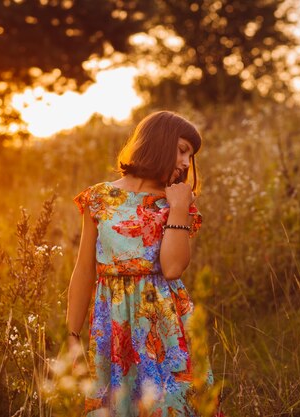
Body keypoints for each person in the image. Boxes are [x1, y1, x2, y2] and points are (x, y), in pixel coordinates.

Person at [66, 111, 224, 416]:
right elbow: (84, 270)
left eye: (190, 156)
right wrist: (72, 335)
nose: (184, 163)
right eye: (181, 150)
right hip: (113, 324)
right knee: (118, 405)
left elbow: (173, 268)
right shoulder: (99, 198)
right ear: (158, 142)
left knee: (171, 404)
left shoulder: (175, 202)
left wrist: (179, 208)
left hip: (164, 323)